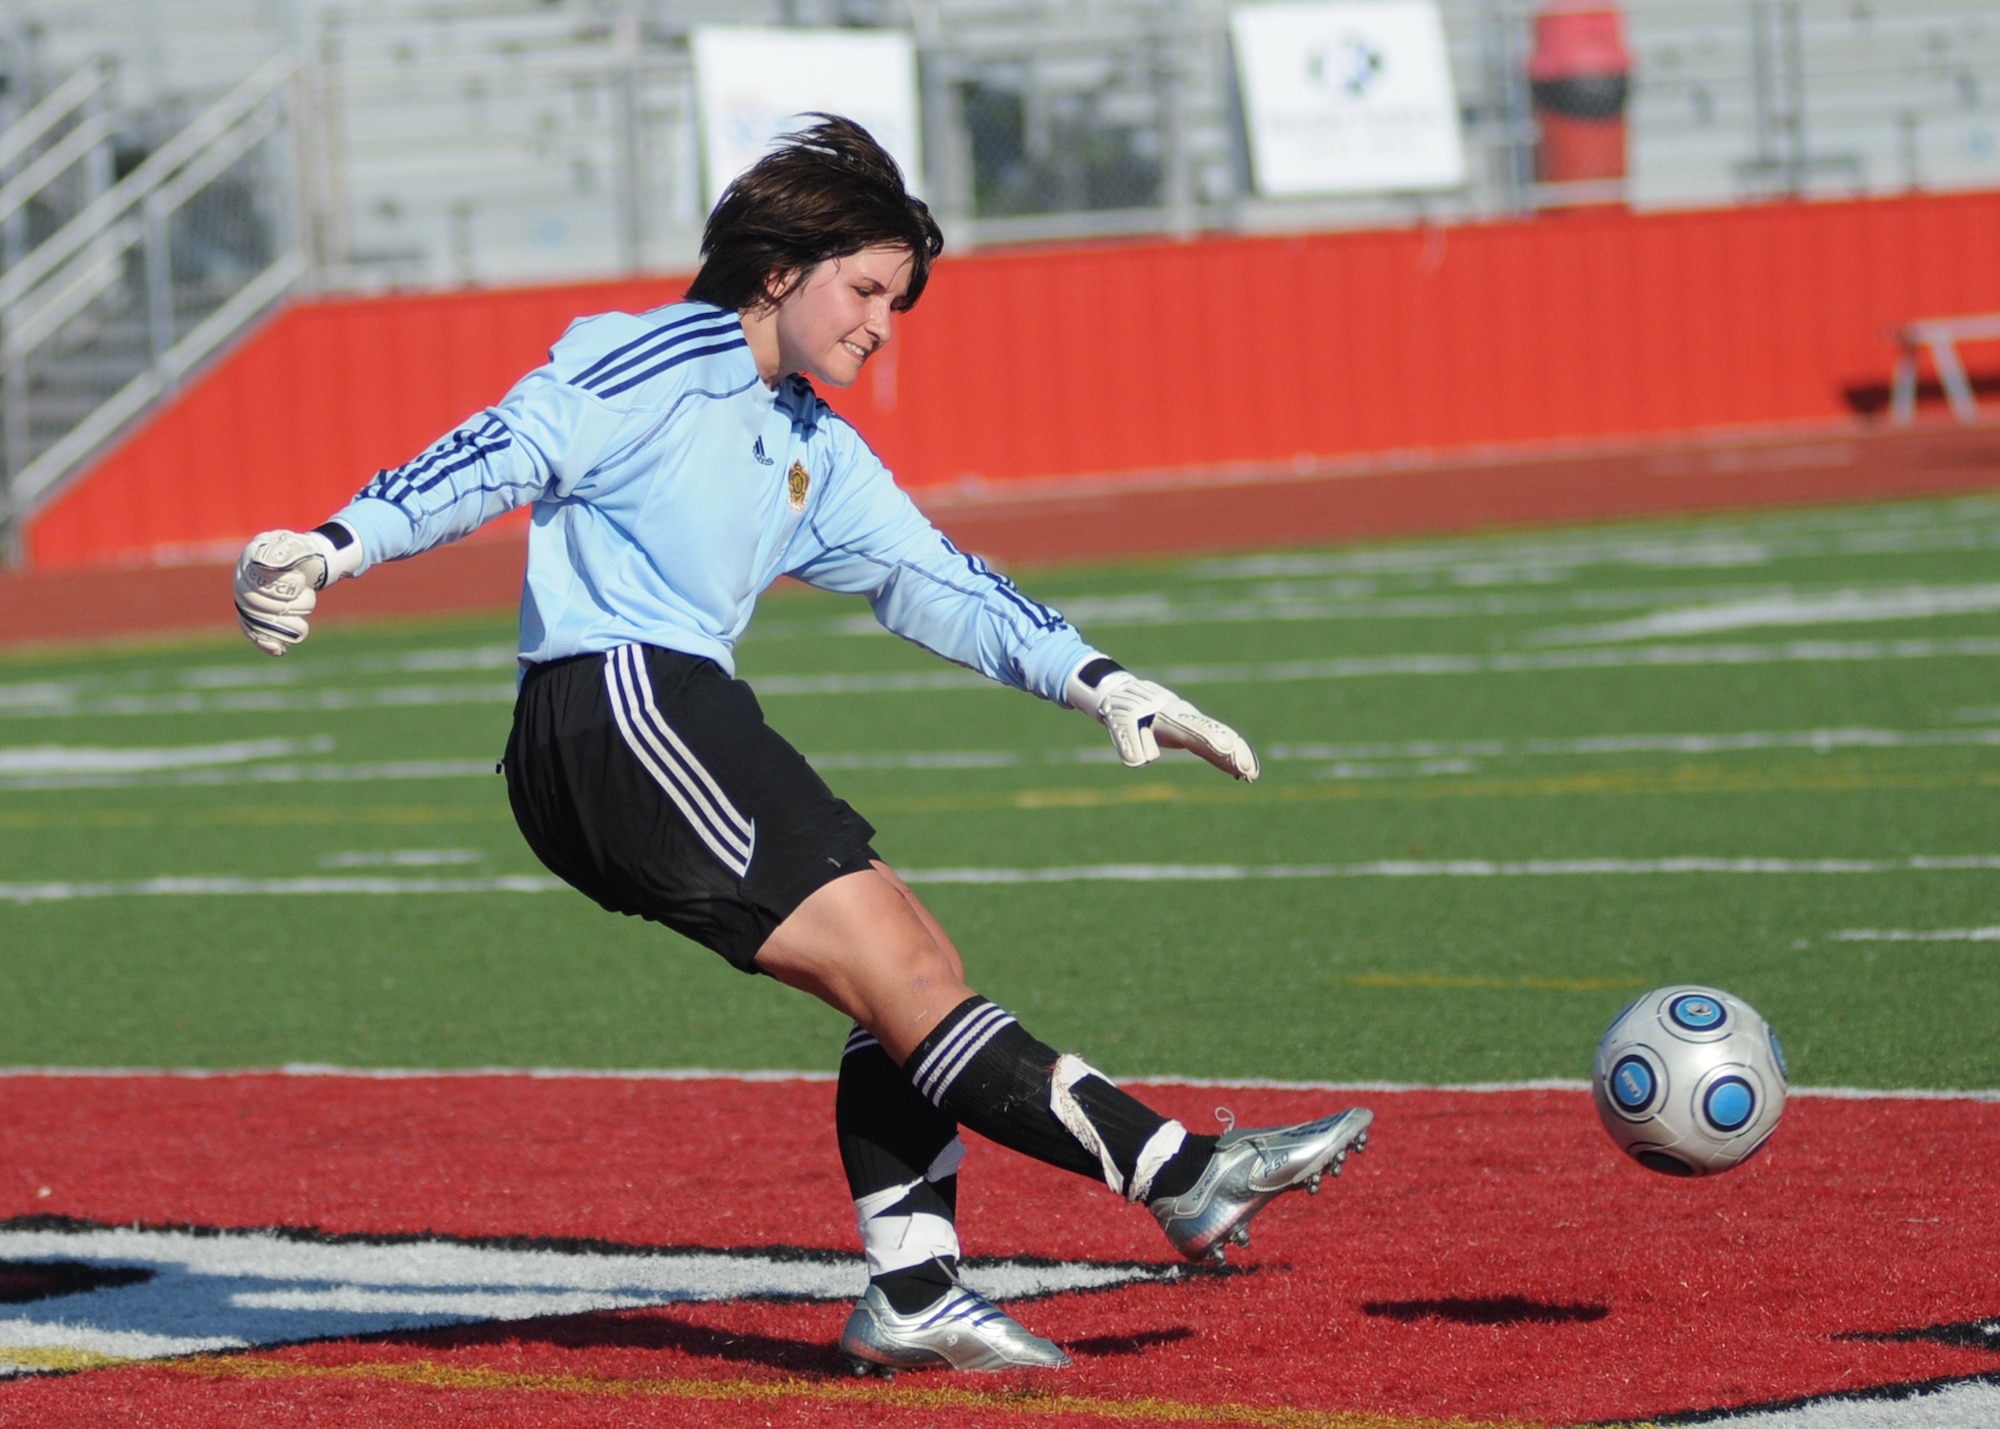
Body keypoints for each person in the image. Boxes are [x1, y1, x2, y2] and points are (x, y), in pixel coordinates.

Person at [231, 116, 1371, 1376]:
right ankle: (1183, 1171)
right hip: (617, 709)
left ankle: (915, 1291)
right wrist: (340, 544)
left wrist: (1099, 679)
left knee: (909, 975)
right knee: (902, 971)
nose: (883, 321)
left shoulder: (808, 440)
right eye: (867, 287)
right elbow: (506, 445)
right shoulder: (656, 354)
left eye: (899, 299)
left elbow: (933, 575)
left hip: (663, 714)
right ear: (781, 268)